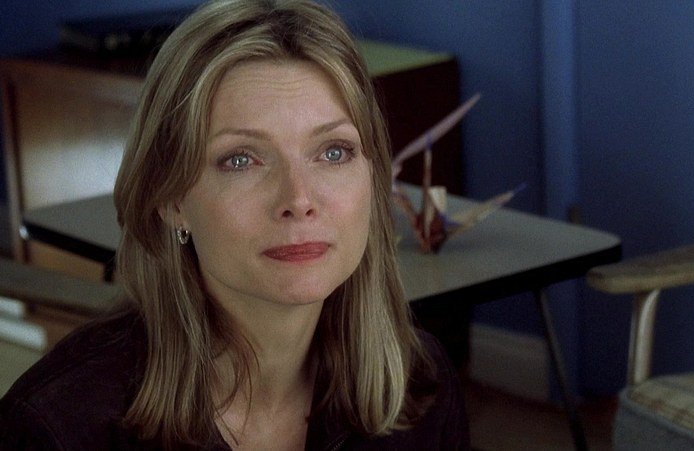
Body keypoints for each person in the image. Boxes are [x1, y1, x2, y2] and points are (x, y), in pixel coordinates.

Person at [0, 0, 470, 449]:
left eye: (333, 152)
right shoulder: (54, 430)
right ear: (170, 199)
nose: (299, 200)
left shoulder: (422, 382)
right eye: (241, 160)